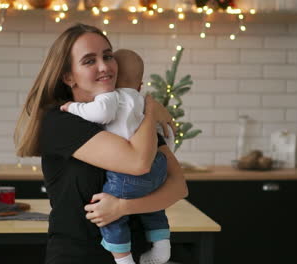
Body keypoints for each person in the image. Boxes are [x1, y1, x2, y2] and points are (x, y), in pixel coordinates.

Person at [14, 23, 188, 264]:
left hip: (138, 257)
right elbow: (138, 163)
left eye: (107, 56)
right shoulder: (61, 121)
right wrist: (150, 108)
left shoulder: (134, 120)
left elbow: (179, 187)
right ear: (68, 76)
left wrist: (122, 208)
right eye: (89, 61)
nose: (105, 66)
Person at [59, 49, 174, 264]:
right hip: (158, 165)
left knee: (109, 215)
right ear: (139, 85)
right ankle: (162, 245)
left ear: (113, 79)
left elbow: (100, 113)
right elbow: (168, 136)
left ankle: (123, 259)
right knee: (152, 205)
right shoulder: (144, 104)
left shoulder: (112, 96)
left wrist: (73, 107)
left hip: (127, 175)